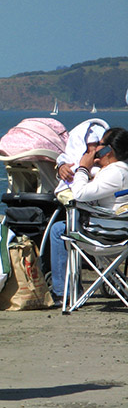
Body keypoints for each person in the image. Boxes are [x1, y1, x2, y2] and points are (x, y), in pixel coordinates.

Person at [49, 127, 128, 299]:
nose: (94, 150)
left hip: (106, 235)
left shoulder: (115, 173)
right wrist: (64, 166)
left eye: (99, 145)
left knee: (58, 230)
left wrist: (83, 168)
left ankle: (63, 293)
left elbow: (80, 194)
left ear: (109, 150)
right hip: (121, 230)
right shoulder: (122, 170)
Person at [54, 118, 109, 200]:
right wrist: (62, 167)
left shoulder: (107, 161)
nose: (94, 150)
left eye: (98, 145)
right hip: (76, 193)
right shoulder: (71, 159)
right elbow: (65, 165)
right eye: (89, 146)